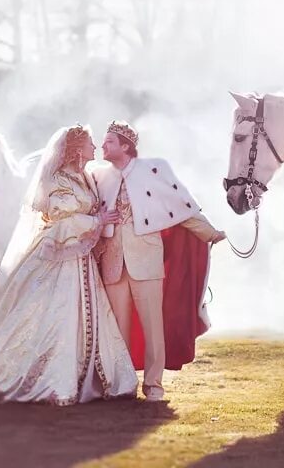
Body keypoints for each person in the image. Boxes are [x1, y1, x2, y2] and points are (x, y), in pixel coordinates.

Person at [0, 125, 138, 405]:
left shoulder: (86, 177)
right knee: (52, 318)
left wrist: (100, 220)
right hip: (59, 260)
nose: (95, 148)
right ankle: (53, 379)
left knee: (80, 319)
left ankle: (88, 375)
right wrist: (96, 221)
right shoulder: (56, 179)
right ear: (78, 150)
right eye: (91, 143)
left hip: (82, 263)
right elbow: (57, 219)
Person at [90, 120, 226, 402]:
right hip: (113, 263)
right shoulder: (100, 177)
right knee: (117, 330)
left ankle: (153, 384)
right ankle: (122, 384)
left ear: (125, 146)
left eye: (109, 142)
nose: (103, 147)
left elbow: (181, 207)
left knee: (153, 326)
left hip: (146, 260)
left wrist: (210, 233)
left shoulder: (154, 169)